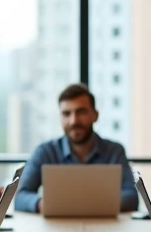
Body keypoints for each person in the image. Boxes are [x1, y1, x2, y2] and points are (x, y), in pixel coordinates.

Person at [14, 83, 138, 213]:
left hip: (105, 227)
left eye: (81, 112)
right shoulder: (45, 151)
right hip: (57, 228)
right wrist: (42, 204)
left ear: (95, 115)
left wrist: (87, 205)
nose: (74, 121)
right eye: (66, 114)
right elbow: (20, 196)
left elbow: (132, 197)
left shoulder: (114, 151)